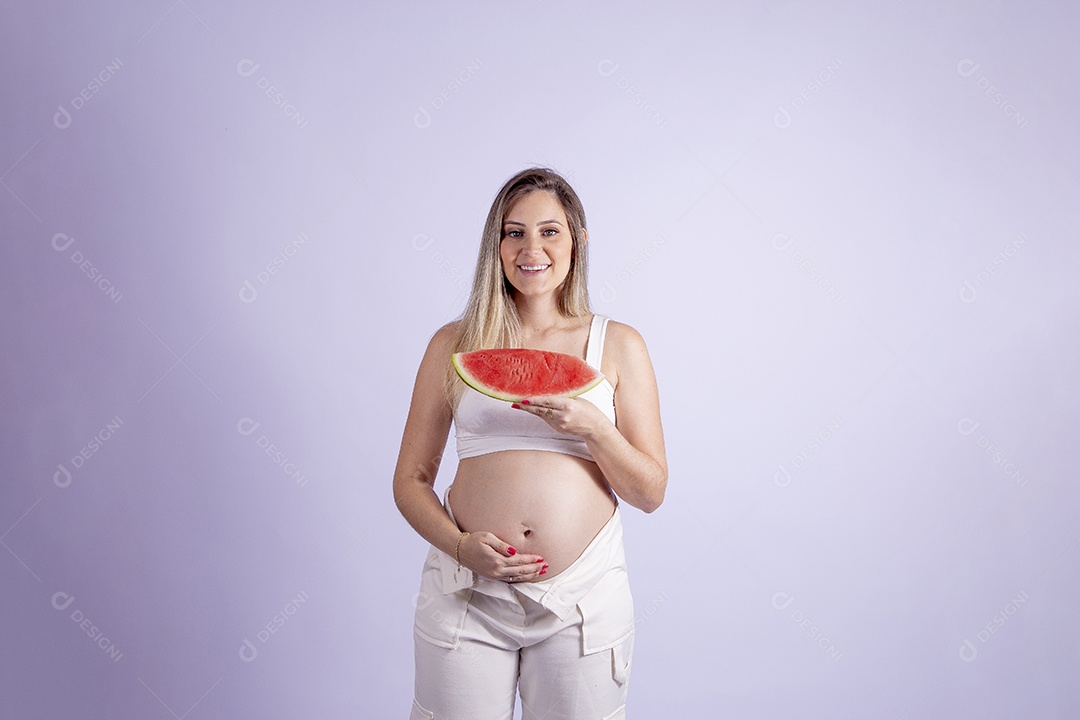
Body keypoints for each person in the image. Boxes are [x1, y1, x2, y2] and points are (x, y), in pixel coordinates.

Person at [393, 167, 667, 720]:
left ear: (578, 240)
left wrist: (593, 427)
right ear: (495, 244)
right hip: (467, 592)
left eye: (550, 231)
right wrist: (461, 546)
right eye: (513, 232)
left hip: (583, 600)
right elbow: (410, 481)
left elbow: (650, 491)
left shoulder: (618, 344)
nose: (530, 248)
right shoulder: (453, 343)